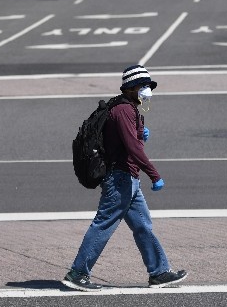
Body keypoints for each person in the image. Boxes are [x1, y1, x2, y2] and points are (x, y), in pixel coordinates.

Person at [63, 64, 188, 292]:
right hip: (119, 179)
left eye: (148, 87)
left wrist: (141, 133)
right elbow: (132, 147)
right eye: (143, 86)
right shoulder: (123, 110)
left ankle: (159, 272)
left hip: (128, 179)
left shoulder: (128, 109)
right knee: (103, 224)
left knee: (143, 225)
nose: (147, 91)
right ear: (130, 88)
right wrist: (154, 174)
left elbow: (126, 139)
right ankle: (77, 273)